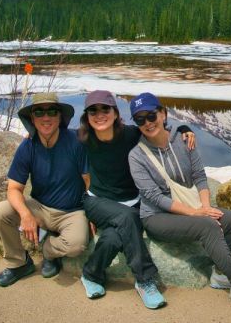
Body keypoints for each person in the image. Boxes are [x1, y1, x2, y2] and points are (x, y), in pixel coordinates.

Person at [128, 92, 231, 312]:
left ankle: (221, 275)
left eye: (151, 115)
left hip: (190, 207)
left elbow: (199, 176)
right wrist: (195, 213)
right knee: (207, 225)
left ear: (163, 113)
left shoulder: (184, 139)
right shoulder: (136, 156)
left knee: (230, 219)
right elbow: (154, 197)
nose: (148, 123)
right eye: (140, 119)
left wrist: (205, 207)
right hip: (157, 216)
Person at [77, 90, 195, 309]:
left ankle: (91, 274)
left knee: (113, 238)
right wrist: (31, 134)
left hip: (131, 202)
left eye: (106, 109)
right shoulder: (82, 138)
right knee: (128, 216)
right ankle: (145, 279)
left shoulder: (131, 134)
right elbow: (55, 136)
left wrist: (185, 129)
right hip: (97, 202)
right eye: (93, 110)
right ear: (87, 116)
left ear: (115, 114)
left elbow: (159, 127)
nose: (99, 114)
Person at [0, 92, 89, 287]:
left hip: (72, 211)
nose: (46, 118)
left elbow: (89, 182)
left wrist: (94, 212)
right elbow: (13, 188)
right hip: (40, 207)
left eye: (52, 112)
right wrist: (25, 214)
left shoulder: (75, 142)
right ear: (32, 118)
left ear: (60, 117)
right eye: (39, 112)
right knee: (1, 212)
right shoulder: (28, 146)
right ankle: (19, 263)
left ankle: (48, 251)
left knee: (77, 243)